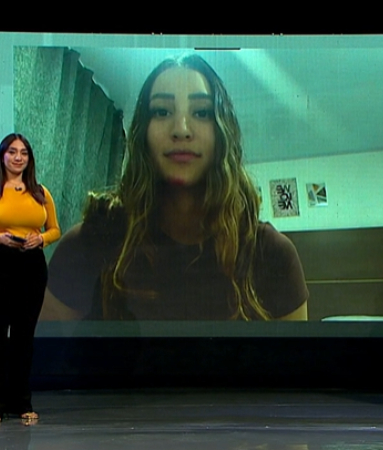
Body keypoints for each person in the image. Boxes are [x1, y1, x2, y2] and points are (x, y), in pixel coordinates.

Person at [38, 54, 308, 321]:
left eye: (201, 112)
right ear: (143, 132)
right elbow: (43, 345)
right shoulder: (89, 243)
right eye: (162, 111)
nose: (181, 129)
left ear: (222, 132)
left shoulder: (273, 255)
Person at [0, 133, 61, 423]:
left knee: (23, 336)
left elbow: (55, 229)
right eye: (13, 152)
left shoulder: (40, 192)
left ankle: (20, 402)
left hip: (31, 265)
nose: (19, 157)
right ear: (2, 156)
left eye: (24, 153)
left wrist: (41, 239)